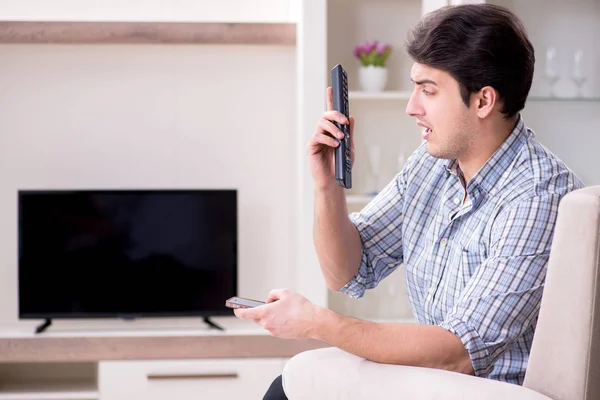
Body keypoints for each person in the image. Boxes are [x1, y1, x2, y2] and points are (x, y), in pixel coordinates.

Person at [234, 3, 585, 398]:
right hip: (436, 381)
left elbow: (457, 352)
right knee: (291, 385)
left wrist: (317, 322)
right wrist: (328, 186)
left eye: (428, 90)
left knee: (292, 385)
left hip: (489, 389)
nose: (411, 107)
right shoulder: (432, 165)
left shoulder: (538, 196)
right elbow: (347, 272)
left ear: (484, 101)